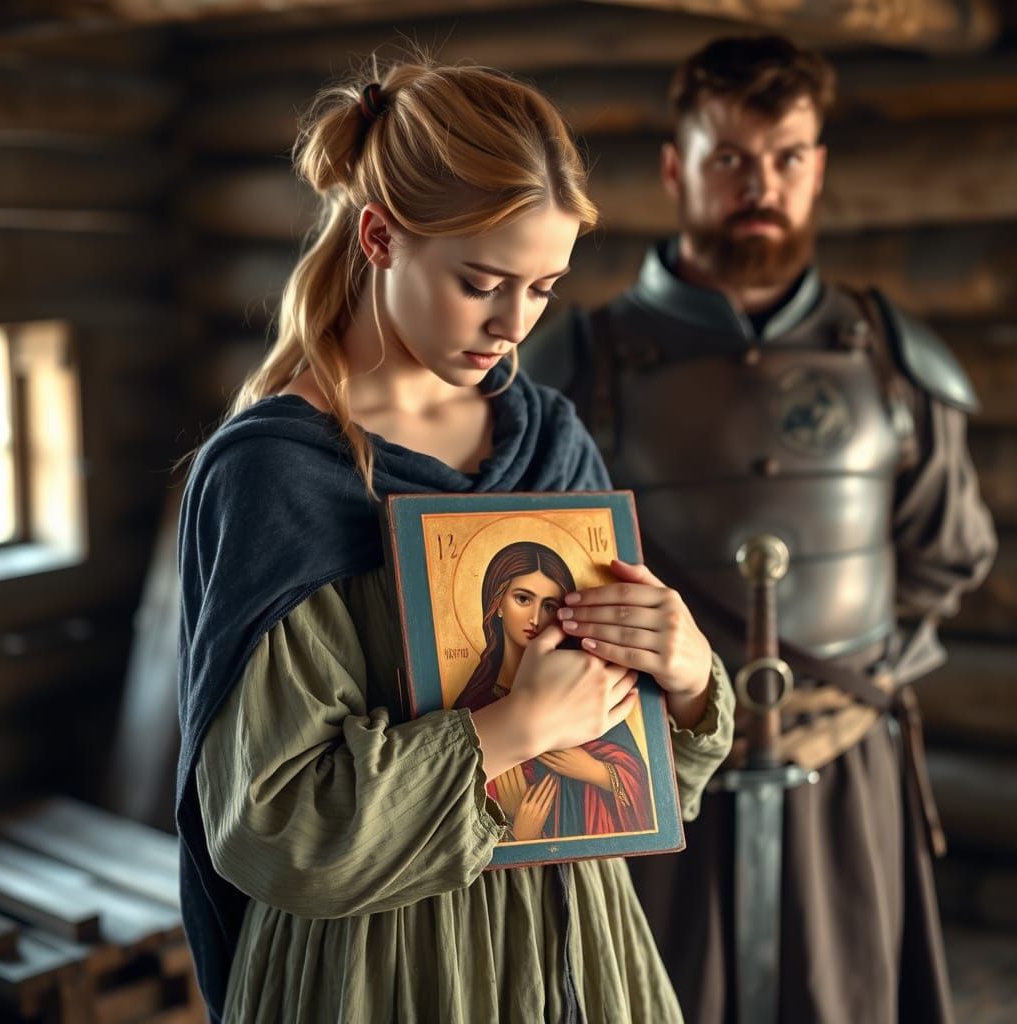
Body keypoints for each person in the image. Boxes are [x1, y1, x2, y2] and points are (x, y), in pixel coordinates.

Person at [175, 59, 734, 1024]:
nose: (512, 325)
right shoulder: (275, 475)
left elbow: (639, 780)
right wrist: (511, 730)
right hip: (375, 968)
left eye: (544, 288)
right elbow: (274, 822)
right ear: (381, 236)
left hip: (579, 956)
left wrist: (683, 678)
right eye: (482, 282)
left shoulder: (549, 440)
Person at [523, 35, 996, 1024]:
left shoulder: (887, 359)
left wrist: (847, 688)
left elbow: (943, 551)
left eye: (786, 157)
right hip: (650, 777)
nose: (760, 184)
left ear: (818, 167)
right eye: (729, 157)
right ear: (675, 166)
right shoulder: (579, 363)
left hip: (842, 769)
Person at [454, 540, 653, 840]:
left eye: (549, 606)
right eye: (523, 599)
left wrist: (596, 772)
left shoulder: (585, 690)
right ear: (496, 605)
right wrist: (519, 832)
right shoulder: (474, 705)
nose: (536, 618)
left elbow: (656, 800)